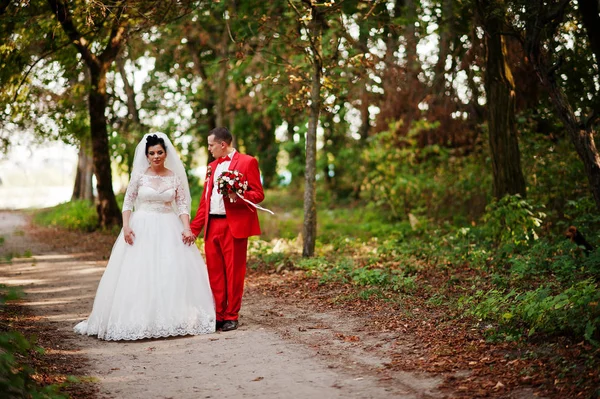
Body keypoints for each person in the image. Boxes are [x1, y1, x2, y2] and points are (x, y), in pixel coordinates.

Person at [74, 133, 216, 340]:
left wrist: (186, 229)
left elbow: (183, 206)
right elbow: (128, 202)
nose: (156, 156)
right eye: (152, 153)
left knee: (169, 272)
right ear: (146, 155)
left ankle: (170, 319)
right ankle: (136, 320)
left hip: (169, 225)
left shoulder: (174, 177)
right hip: (142, 226)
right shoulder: (139, 176)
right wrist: (126, 226)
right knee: (139, 272)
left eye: (159, 152)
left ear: (165, 153)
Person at [189, 127, 264, 332]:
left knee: (234, 272)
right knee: (215, 273)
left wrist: (237, 195)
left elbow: (258, 194)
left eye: (211, 145)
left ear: (223, 145)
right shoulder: (212, 166)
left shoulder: (248, 162)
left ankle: (232, 315)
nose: (209, 149)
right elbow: (205, 201)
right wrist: (194, 230)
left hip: (234, 225)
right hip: (212, 225)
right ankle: (219, 315)